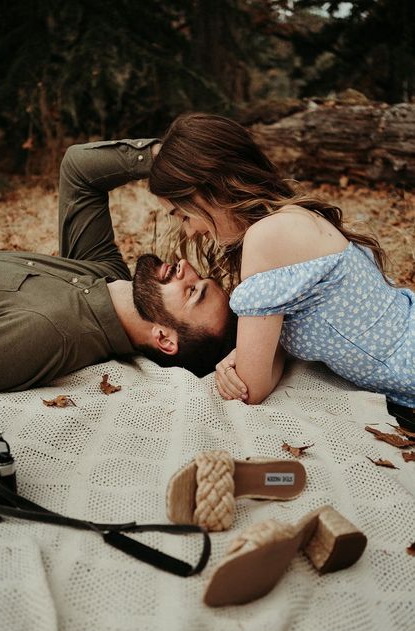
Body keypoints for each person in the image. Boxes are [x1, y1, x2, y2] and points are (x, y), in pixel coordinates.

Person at [149, 112, 415, 427]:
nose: (190, 231)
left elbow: (252, 387)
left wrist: (239, 363)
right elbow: (273, 348)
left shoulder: (267, 237)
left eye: (183, 215)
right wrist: (251, 352)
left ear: (210, 187)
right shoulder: (288, 217)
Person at [0, 138, 235, 398]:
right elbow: (79, 169)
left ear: (163, 338)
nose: (186, 267)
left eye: (193, 292)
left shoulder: (52, 332)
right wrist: (173, 160)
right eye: (200, 278)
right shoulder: (103, 271)